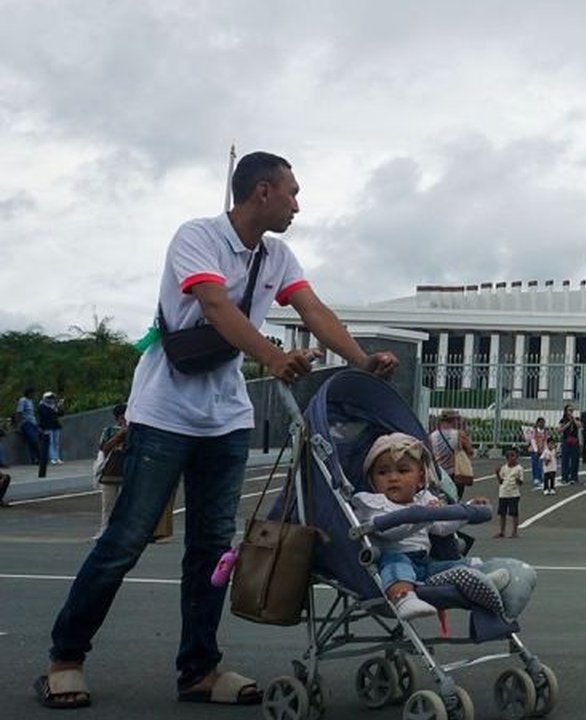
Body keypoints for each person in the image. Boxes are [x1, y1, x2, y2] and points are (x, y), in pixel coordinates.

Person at [36, 151, 400, 710]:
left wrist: (359, 360)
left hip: (225, 416)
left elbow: (313, 309)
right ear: (261, 192)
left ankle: (199, 669)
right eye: (292, 193)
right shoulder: (198, 237)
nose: (298, 205)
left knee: (211, 547)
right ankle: (65, 658)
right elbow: (216, 307)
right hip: (164, 412)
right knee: (125, 540)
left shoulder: (277, 255)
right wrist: (274, 358)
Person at [351, 433, 506, 620]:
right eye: (383, 472)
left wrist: (468, 509)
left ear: (420, 477)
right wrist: (423, 516)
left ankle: (483, 578)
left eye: (402, 471)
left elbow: (441, 527)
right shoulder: (373, 503)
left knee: (456, 565)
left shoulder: (425, 499)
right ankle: (404, 598)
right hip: (391, 558)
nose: (392, 478)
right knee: (396, 565)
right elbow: (389, 532)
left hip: (425, 562)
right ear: (372, 480)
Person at [91, 405, 129, 541]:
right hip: (110, 472)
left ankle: (125, 533)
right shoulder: (108, 431)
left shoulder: (136, 431)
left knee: (127, 505)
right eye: (123, 416)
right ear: (118, 418)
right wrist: (120, 435)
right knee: (108, 506)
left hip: (128, 473)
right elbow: (104, 448)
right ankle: (104, 530)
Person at [427, 409, 475, 496]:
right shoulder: (459, 435)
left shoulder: (432, 436)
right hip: (455, 474)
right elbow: (470, 451)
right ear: (453, 420)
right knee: (455, 498)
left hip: (438, 473)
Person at [493, 448, 524, 538]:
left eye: (513, 456)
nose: (511, 458)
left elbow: (521, 483)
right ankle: (502, 531)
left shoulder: (519, 468)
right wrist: (497, 473)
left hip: (513, 493)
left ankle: (514, 531)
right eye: (509, 456)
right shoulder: (504, 468)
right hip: (503, 493)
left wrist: (517, 480)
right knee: (502, 513)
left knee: (514, 513)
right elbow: (501, 481)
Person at [16, 387, 43, 465]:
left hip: (33, 424)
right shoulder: (23, 400)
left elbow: (33, 414)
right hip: (27, 423)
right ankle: (40, 458)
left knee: (32, 442)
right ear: (29, 393)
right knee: (34, 440)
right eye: (33, 393)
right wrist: (18, 425)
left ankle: (34, 459)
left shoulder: (31, 401)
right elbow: (19, 412)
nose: (34, 395)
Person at [37, 391, 65, 464]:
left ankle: (57, 457)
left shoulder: (53, 406)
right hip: (47, 426)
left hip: (55, 425)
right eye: (49, 398)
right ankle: (52, 458)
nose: (51, 399)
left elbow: (60, 414)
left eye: (52, 398)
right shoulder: (42, 406)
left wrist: (59, 407)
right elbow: (44, 416)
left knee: (56, 442)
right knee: (50, 442)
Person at [557, 404, 581, 485]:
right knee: (565, 459)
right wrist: (568, 423)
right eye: (569, 410)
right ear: (566, 411)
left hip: (575, 440)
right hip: (566, 440)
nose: (570, 412)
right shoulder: (563, 420)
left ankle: (574, 477)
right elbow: (560, 430)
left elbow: (579, 426)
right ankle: (565, 477)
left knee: (575, 459)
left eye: (572, 410)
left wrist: (573, 420)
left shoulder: (576, 419)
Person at [527, 417, 547, 490]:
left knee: (541, 464)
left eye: (543, 423)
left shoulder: (545, 432)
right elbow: (533, 441)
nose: (542, 424)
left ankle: (540, 477)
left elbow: (545, 442)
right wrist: (536, 450)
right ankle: (536, 478)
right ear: (537, 423)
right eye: (540, 422)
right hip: (534, 450)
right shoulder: (534, 431)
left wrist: (544, 450)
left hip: (542, 450)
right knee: (535, 464)